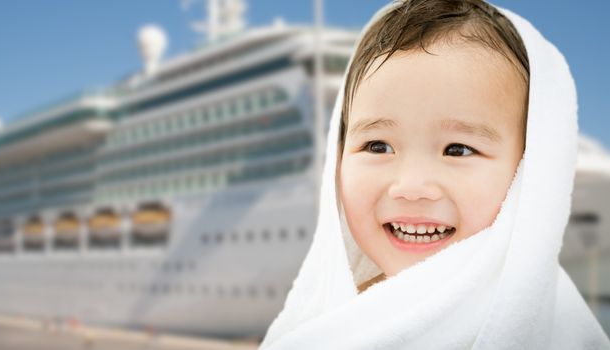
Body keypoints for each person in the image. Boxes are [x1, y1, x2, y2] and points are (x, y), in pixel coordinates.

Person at [260, 0, 610, 349]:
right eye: (378, 146)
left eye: (457, 150)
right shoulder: (315, 326)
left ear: (530, 171)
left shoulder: (559, 335)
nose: (411, 187)